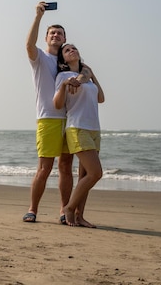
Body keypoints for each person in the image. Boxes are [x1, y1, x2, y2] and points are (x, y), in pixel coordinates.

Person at [23, 1, 86, 223]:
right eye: (52, 33)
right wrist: (38, 17)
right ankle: (32, 209)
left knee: (66, 166)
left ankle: (63, 210)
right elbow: (28, 45)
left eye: (59, 33)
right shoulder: (39, 57)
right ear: (46, 37)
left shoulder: (67, 63)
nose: (56, 35)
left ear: (64, 38)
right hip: (48, 119)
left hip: (70, 120)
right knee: (44, 168)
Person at [54, 44, 105, 227]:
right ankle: (68, 208)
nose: (72, 50)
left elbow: (101, 98)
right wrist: (66, 85)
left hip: (94, 128)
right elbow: (58, 104)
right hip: (77, 127)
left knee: (85, 174)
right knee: (96, 173)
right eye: (67, 50)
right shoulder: (63, 76)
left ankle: (79, 216)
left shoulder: (88, 77)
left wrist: (91, 74)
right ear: (64, 59)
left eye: (74, 48)